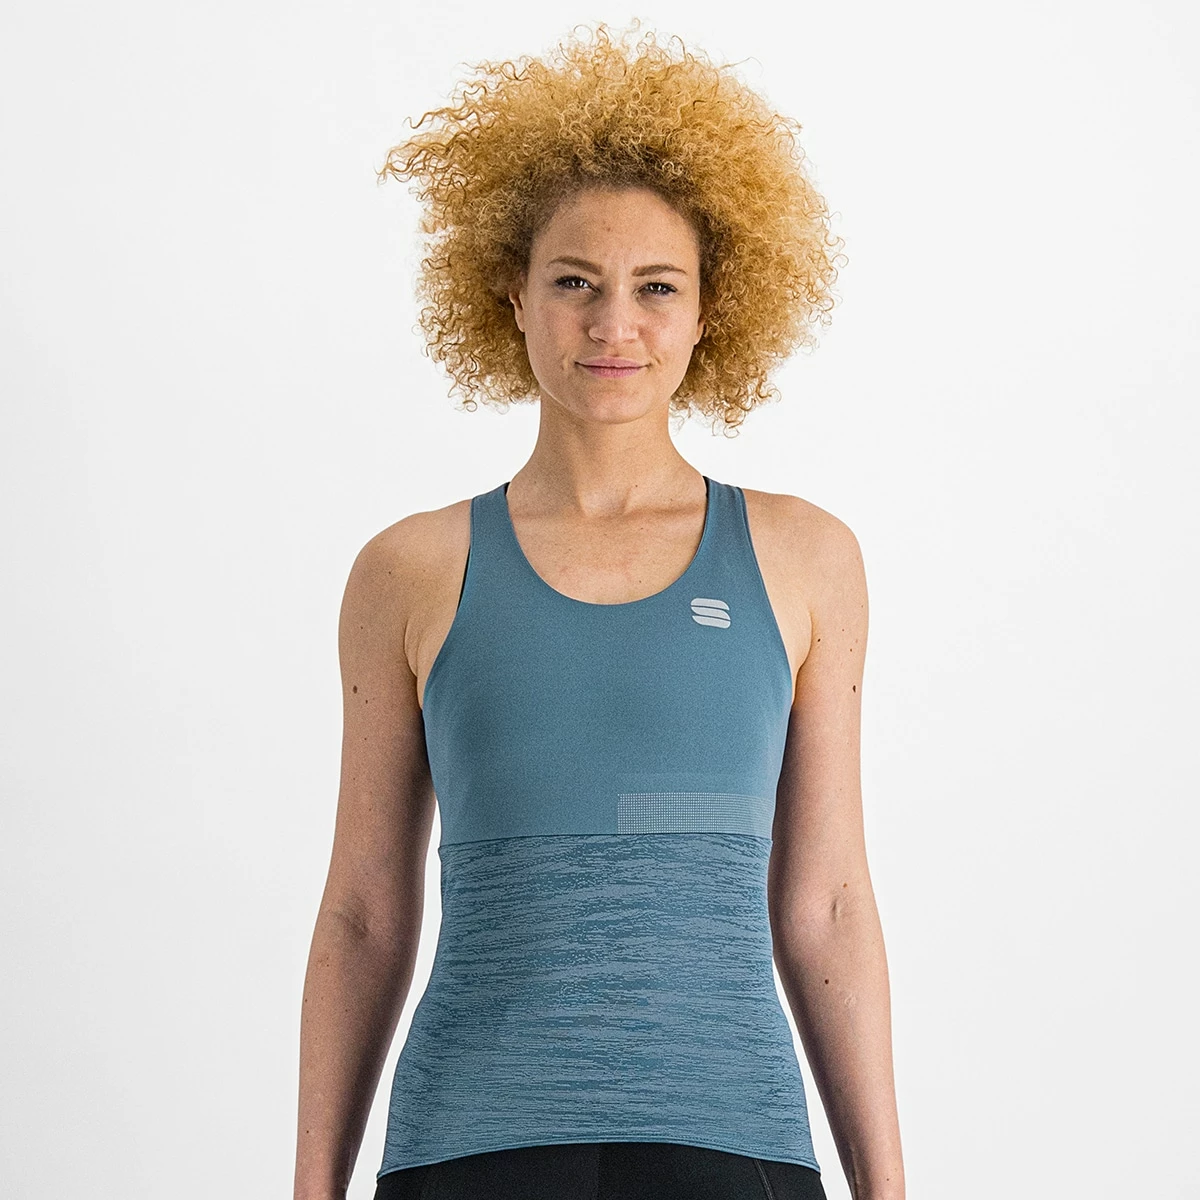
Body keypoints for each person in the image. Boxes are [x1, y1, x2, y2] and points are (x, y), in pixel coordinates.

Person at [294, 20, 905, 1200]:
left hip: (733, 1143)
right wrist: (312, 1185)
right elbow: (365, 912)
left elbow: (827, 905)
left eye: (655, 288)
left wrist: (887, 1185)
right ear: (512, 297)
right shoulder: (409, 570)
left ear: (711, 308)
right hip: (468, 1145)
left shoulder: (804, 558)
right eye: (573, 282)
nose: (613, 325)